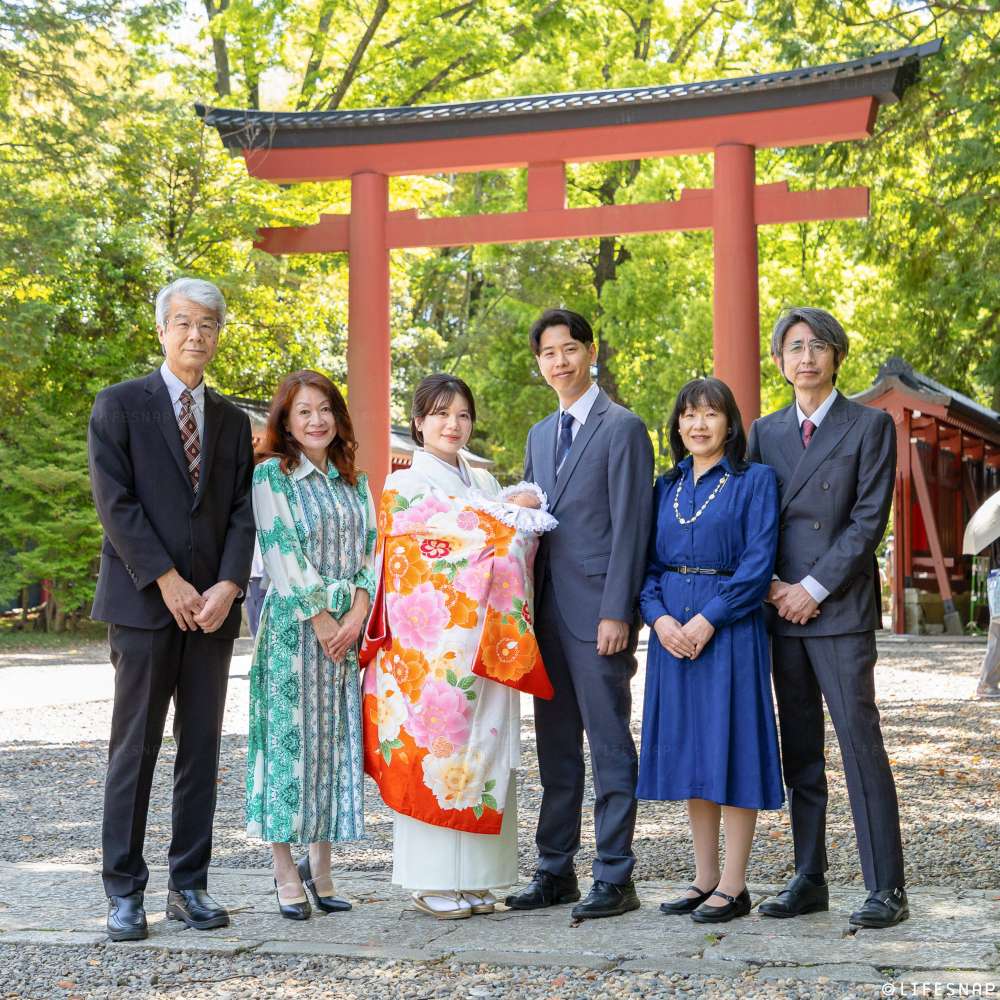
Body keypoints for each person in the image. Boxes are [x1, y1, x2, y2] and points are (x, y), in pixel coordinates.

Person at [88, 277, 255, 942]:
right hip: (143, 607)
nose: (195, 335)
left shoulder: (233, 421)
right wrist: (164, 578)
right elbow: (115, 503)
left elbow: (243, 511)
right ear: (161, 330)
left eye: (207, 324)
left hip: (212, 613)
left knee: (201, 749)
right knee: (135, 748)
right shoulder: (120, 406)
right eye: (183, 323)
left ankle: (190, 884)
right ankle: (124, 891)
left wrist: (228, 585)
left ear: (218, 334)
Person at [362, 373, 555, 920]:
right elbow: (429, 557)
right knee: (434, 756)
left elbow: (509, 538)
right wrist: (506, 526)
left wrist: (511, 523)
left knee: (484, 755)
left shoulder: (482, 482)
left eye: (462, 415)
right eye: (441, 414)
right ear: (419, 423)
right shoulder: (406, 487)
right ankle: (431, 879)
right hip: (429, 655)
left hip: (483, 645)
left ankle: (476, 878)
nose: (453, 424)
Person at [748, 306, 907, 929]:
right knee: (801, 751)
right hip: (781, 610)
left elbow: (868, 521)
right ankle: (809, 876)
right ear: (779, 361)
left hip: (837, 610)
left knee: (860, 745)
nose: (806, 356)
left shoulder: (869, 425)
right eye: (793, 347)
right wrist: (772, 586)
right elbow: (752, 516)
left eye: (817, 345)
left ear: (836, 355)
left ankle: (886, 886)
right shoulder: (763, 431)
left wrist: (811, 587)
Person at [506, 308, 654, 920]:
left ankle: (616, 875)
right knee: (556, 747)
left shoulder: (623, 428)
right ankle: (554, 869)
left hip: (600, 615)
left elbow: (632, 528)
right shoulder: (541, 435)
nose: (560, 361)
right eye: (548, 353)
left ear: (591, 353)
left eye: (570, 349)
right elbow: (534, 521)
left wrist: (619, 610)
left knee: (611, 743)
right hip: (545, 615)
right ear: (539, 363)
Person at [637, 377, 783, 923]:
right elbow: (647, 569)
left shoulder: (755, 481)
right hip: (672, 635)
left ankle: (735, 884)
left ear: (730, 423)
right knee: (692, 755)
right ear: (677, 425)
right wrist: (661, 620)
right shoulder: (664, 487)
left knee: (733, 747)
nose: (699, 424)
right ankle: (702, 879)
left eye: (711, 414)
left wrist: (706, 621)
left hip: (730, 631)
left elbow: (756, 565)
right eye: (689, 414)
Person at [247, 370, 376, 920]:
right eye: (303, 411)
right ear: (287, 421)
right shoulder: (272, 477)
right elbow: (281, 550)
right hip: (295, 631)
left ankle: (321, 871)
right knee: (288, 747)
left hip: (348, 629)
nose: (316, 420)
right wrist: (325, 620)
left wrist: (359, 612)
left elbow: (374, 551)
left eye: (324, 409)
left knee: (331, 744)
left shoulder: (355, 481)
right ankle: (283, 872)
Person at [245, 413, 268, 638]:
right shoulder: (244, 493)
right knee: (254, 618)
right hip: (250, 569)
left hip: (268, 569)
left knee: (261, 616)